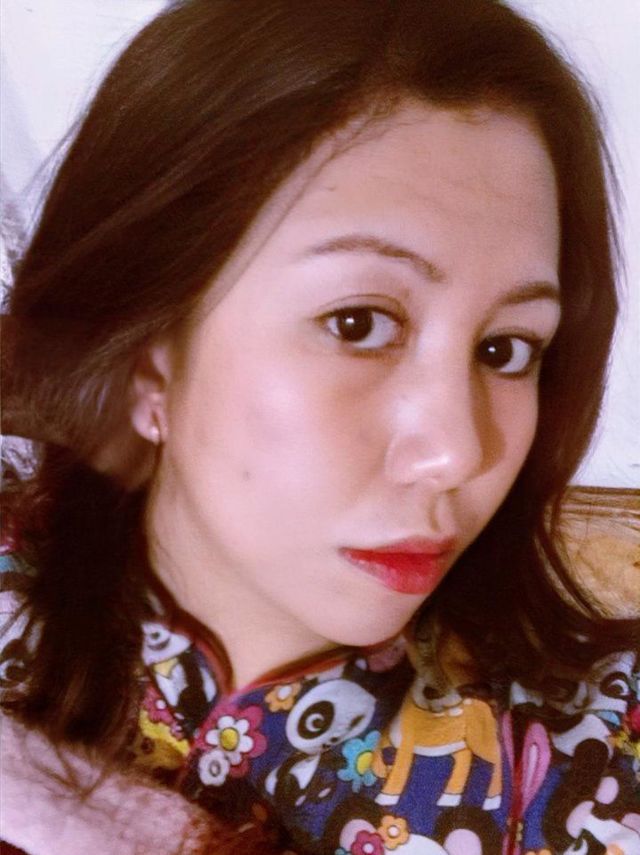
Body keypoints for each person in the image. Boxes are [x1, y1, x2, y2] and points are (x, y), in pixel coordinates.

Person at [1, 0, 638, 853]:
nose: (458, 452)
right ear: (149, 358)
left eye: (505, 349)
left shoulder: (591, 765)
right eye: (358, 323)